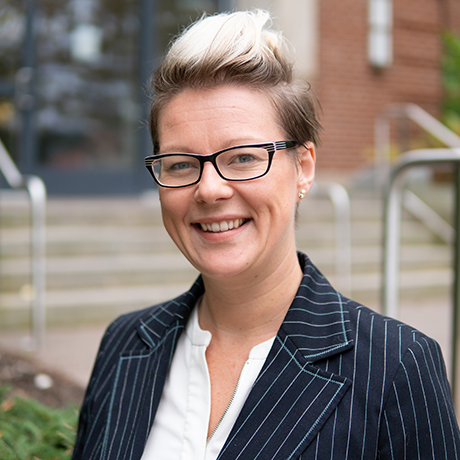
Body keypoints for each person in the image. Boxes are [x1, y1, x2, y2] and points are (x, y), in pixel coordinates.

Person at [72, 9, 460, 460]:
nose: (209, 189)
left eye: (242, 157)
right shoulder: (125, 343)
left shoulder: (397, 365)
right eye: (180, 163)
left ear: (304, 167)